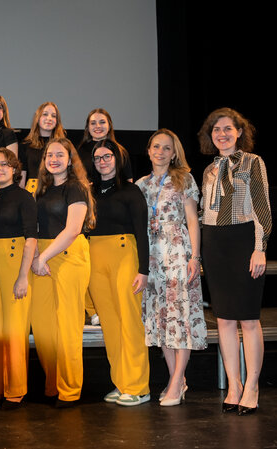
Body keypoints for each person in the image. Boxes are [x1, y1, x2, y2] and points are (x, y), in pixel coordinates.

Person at [198, 108, 271, 415]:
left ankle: (252, 387)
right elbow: (204, 213)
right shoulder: (209, 169)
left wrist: (259, 247)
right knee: (225, 320)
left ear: (239, 131)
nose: (222, 134)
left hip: (243, 242)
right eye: (216, 130)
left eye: (228, 129)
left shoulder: (254, 163)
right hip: (215, 244)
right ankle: (234, 386)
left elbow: (263, 208)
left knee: (249, 320)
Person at [136, 129, 207, 406]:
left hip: (178, 252)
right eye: (156, 147)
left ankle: (177, 382)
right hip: (152, 257)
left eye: (167, 148)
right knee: (162, 319)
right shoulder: (141, 185)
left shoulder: (183, 179)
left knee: (181, 317)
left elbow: (192, 221)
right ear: (149, 150)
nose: (161, 152)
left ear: (174, 152)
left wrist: (195, 257)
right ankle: (176, 378)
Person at [30, 138, 95, 407]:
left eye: (60, 154)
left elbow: (72, 230)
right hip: (42, 258)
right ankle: (52, 385)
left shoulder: (76, 187)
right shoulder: (40, 190)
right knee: (44, 327)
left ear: (70, 160)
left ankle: (69, 390)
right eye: (49, 155)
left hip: (68, 257)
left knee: (68, 327)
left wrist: (42, 257)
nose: (54, 159)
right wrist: (36, 256)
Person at [88, 139, 151, 406]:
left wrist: (143, 270)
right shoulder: (89, 192)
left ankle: (139, 387)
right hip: (95, 257)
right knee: (111, 325)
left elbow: (142, 231)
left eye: (107, 156)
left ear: (118, 159)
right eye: (98, 158)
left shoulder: (131, 190)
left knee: (130, 322)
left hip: (125, 255)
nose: (102, 161)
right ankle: (121, 383)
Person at [0, 148, 37, 409]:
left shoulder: (25, 198)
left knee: (14, 328)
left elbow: (31, 238)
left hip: (16, 262)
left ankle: (15, 387)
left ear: (15, 169)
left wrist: (23, 276)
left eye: (4, 164)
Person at [19, 102, 67, 193]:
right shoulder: (25, 146)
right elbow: (21, 180)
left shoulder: (63, 146)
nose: (49, 118)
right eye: (45, 114)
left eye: (53, 116)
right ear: (37, 118)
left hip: (57, 190)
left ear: (57, 121)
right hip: (32, 193)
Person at [77, 108, 133, 181]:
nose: (98, 126)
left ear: (109, 126)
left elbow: (128, 180)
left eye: (102, 122)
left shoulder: (120, 151)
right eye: (93, 123)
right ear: (88, 127)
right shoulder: (79, 151)